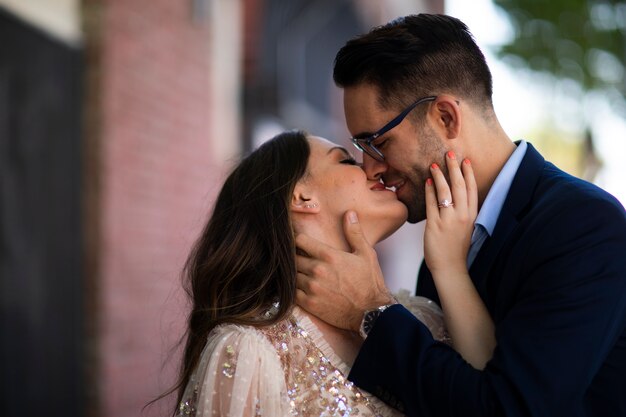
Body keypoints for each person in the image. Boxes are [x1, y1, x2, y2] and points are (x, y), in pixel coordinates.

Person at [295, 14, 626, 417]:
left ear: (446, 117)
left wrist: (371, 312)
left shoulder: (584, 227)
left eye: (378, 143)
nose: (370, 169)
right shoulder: (439, 254)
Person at [168, 130, 492, 417]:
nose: (374, 169)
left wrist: (449, 268)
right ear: (301, 197)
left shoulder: (423, 321)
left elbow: (490, 402)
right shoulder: (246, 352)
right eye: (347, 161)